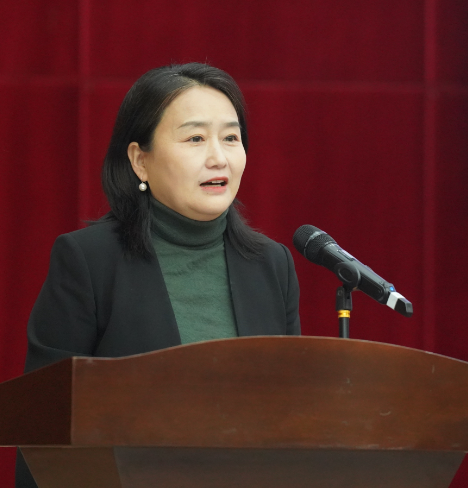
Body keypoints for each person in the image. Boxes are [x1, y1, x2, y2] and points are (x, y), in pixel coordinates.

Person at [16, 63, 300, 488]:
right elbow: (43, 425)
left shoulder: (271, 265)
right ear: (140, 160)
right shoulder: (90, 261)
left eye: (231, 138)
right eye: (195, 138)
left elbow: (294, 417)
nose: (219, 157)